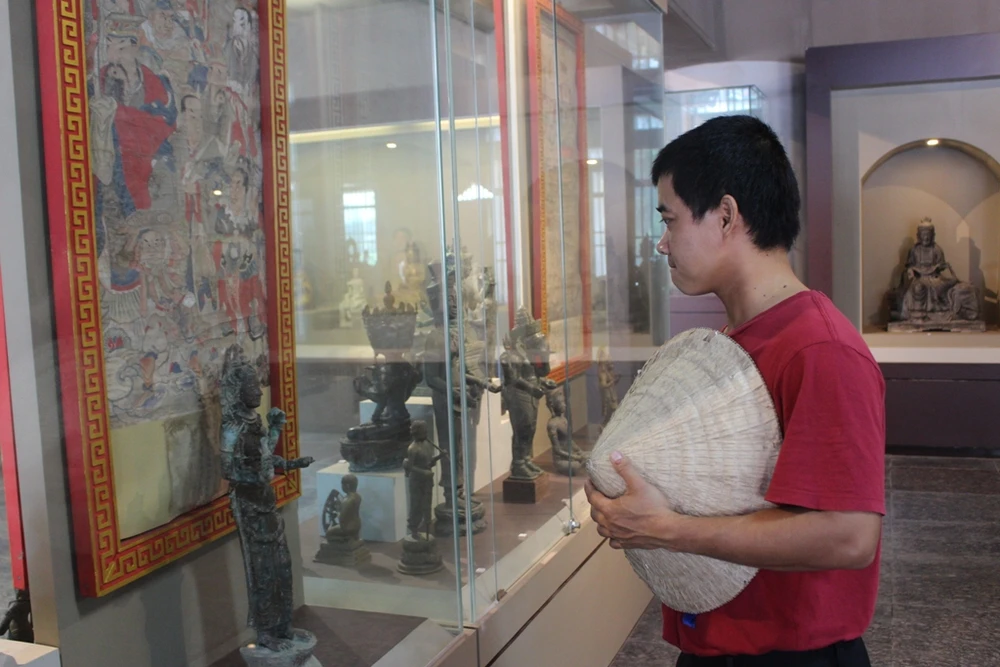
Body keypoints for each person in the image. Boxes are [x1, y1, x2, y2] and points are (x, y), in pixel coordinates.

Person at [584, 115, 885, 667]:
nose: (662, 243)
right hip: (715, 646)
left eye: (670, 220)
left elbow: (849, 536)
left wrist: (665, 529)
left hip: (792, 657)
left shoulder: (820, 350)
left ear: (725, 215)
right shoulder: (735, 340)